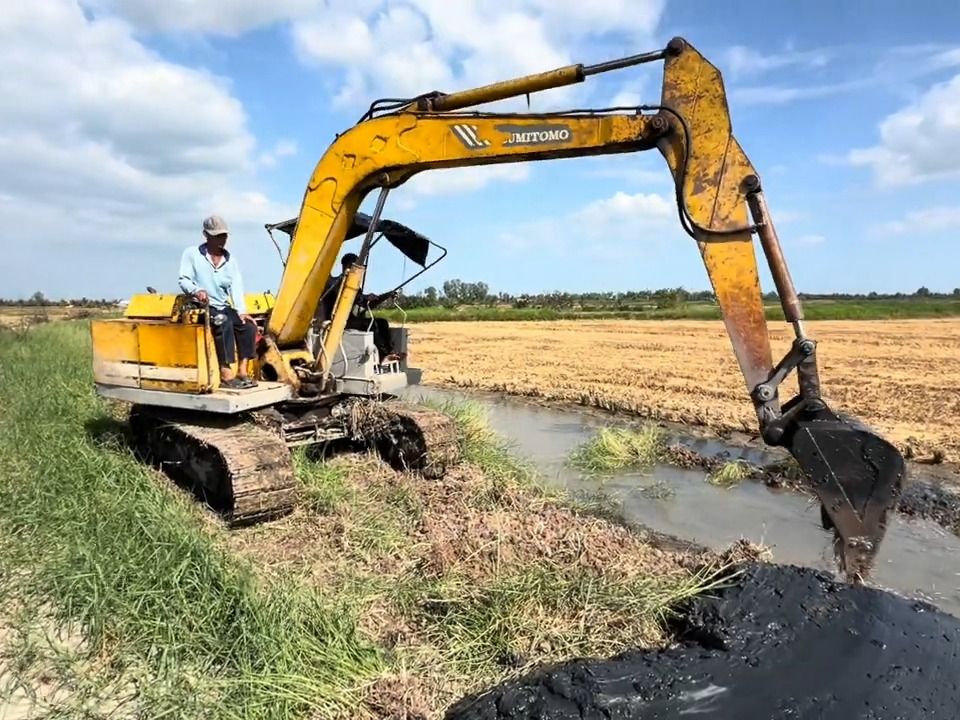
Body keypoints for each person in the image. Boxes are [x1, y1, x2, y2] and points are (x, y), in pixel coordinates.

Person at [178, 215, 258, 389]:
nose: (222, 240)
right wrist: (196, 291)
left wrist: (241, 311)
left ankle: (242, 371)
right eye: (217, 236)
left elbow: (236, 287)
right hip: (201, 305)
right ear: (206, 235)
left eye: (224, 236)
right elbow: (183, 279)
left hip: (221, 305)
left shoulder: (230, 261)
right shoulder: (192, 254)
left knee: (248, 326)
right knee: (223, 322)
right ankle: (225, 372)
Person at [316, 253, 399, 362]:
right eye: (356, 267)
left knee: (382, 322)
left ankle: (390, 352)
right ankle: (383, 355)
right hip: (338, 321)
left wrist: (386, 295)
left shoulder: (353, 285)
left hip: (350, 319)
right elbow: (357, 299)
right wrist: (366, 298)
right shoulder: (337, 283)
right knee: (372, 324)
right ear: (347, 266)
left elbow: (365, 303)